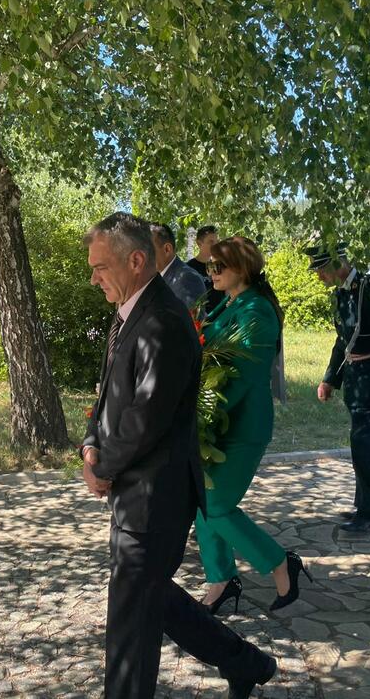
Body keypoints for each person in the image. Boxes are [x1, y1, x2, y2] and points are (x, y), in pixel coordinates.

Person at [81, 213, 276, 699]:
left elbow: (144, 418)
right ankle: (244, 662)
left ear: (137, 260)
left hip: (156, 498)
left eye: (101, 267)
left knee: (130, 625)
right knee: (151, 599)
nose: (94, 278)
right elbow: (110, 395)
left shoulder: (163, 322)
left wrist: (101, 467)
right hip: (136, 492)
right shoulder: (130, 309)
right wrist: (90, 441)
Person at [195, 236, 311, 616]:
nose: (210, 272)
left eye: (218, 267)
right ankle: (221, 579)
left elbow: (239, 375)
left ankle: (279, 562)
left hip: (240, 423)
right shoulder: (231, 304)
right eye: (210, 266)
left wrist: (199, 413)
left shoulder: (256, 312)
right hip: (219, 420)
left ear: (241, 270)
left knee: (216, 504)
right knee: (204, 501)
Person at [309, 243, 370, 533]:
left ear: (337, 263)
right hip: (357, 379)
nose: (318, 276)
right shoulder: (341, 293)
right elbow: (342, 340)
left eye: (321, 268)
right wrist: (330, 378)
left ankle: (369, 511)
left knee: (365, 446)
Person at [151, 223, 207, 308]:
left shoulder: (187, 279)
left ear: (167, 249)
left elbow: (188, 320)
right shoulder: (161, 278)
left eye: (148, 249)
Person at [187, 224, 223, 311]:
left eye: (216, 241)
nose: (215, 245)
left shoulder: (221, 266)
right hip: (200, 321)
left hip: (221, 317)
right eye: (211, 242)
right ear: (199, 243)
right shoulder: (188, 269)